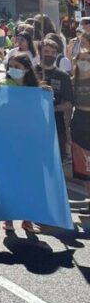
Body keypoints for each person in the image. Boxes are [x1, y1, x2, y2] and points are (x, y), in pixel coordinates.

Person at [1, 52, 48, 233]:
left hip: (29, 142)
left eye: (18, 67)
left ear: (27, 69)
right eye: (11, 66)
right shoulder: (4, 86)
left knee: (30, 181)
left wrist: (46, 94)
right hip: (9, 140)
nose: (14, 70)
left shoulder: (36, 90)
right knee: (10, 179)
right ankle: (8, 218)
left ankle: (27, 219)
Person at [36, 37, 74, 164]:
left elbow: (69, 103)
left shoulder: (63, 76)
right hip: (33, 122)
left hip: (55, 123)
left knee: (55, 160)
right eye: (46, 51)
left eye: (53, 53)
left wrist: (54, 109)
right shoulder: (30, 72)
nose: (50, 55)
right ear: (40, 52)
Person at [70, 49, 90, 210]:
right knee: (83, 166)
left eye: (88, 59)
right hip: (78, 121)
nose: (84, 62)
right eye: (82, 59)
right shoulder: (72, 81)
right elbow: (69, 105)